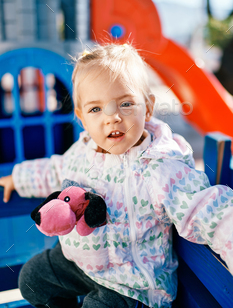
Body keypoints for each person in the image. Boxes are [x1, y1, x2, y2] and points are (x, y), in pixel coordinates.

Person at [1, 42, 233, 308]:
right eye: (96, 109)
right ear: (82, 118)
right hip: (80, 264)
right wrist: (18, 178)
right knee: (32, 279)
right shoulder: (82, 151)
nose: (111, 118)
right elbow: (54, 170)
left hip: (131, 285)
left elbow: (206, 209)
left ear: (147, 108)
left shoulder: (159, 168)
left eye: (125, 104)